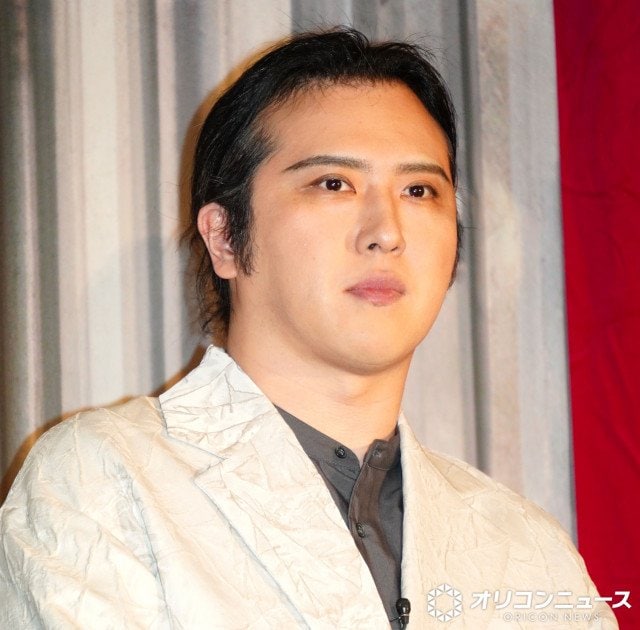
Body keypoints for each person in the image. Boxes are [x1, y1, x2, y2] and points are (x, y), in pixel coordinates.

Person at [0, 28, 617, 629]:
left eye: (419, 190)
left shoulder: (528, 547)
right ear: (224, 238)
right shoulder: (101, 478)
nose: (387, 232)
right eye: (334, 183)